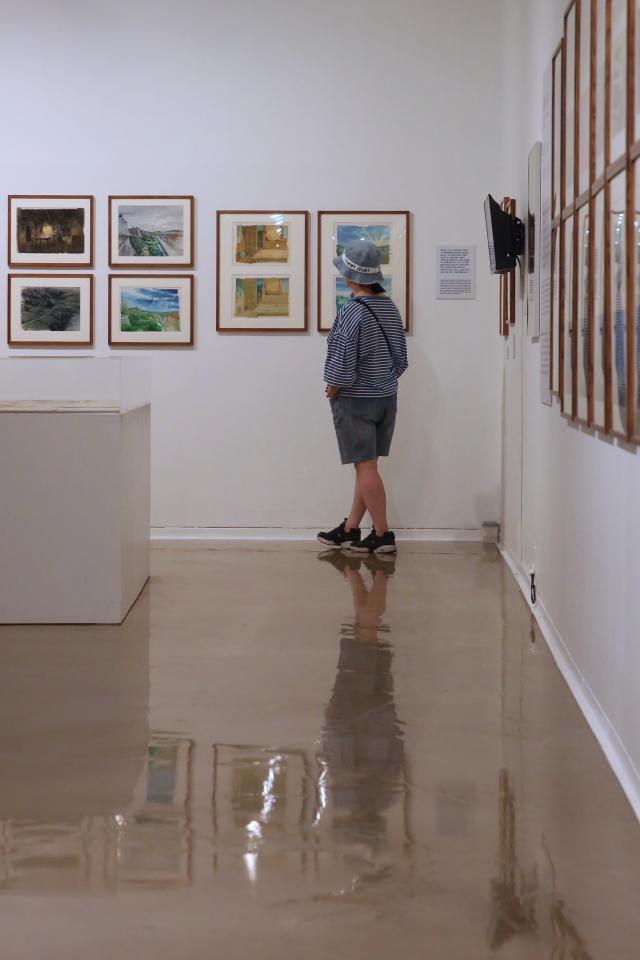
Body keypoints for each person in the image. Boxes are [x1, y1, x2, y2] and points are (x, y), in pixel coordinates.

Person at [318, 239, 408, 555]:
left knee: (366, 467)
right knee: (366, 465)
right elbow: (401, 360)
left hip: (355, 401)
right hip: (386, 398)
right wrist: (382, 380)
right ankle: (350, 529)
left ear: (351, 277)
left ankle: (383, 534)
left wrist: (333, 386)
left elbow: (342, 361)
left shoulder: (352, 312)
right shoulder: (390, 308)